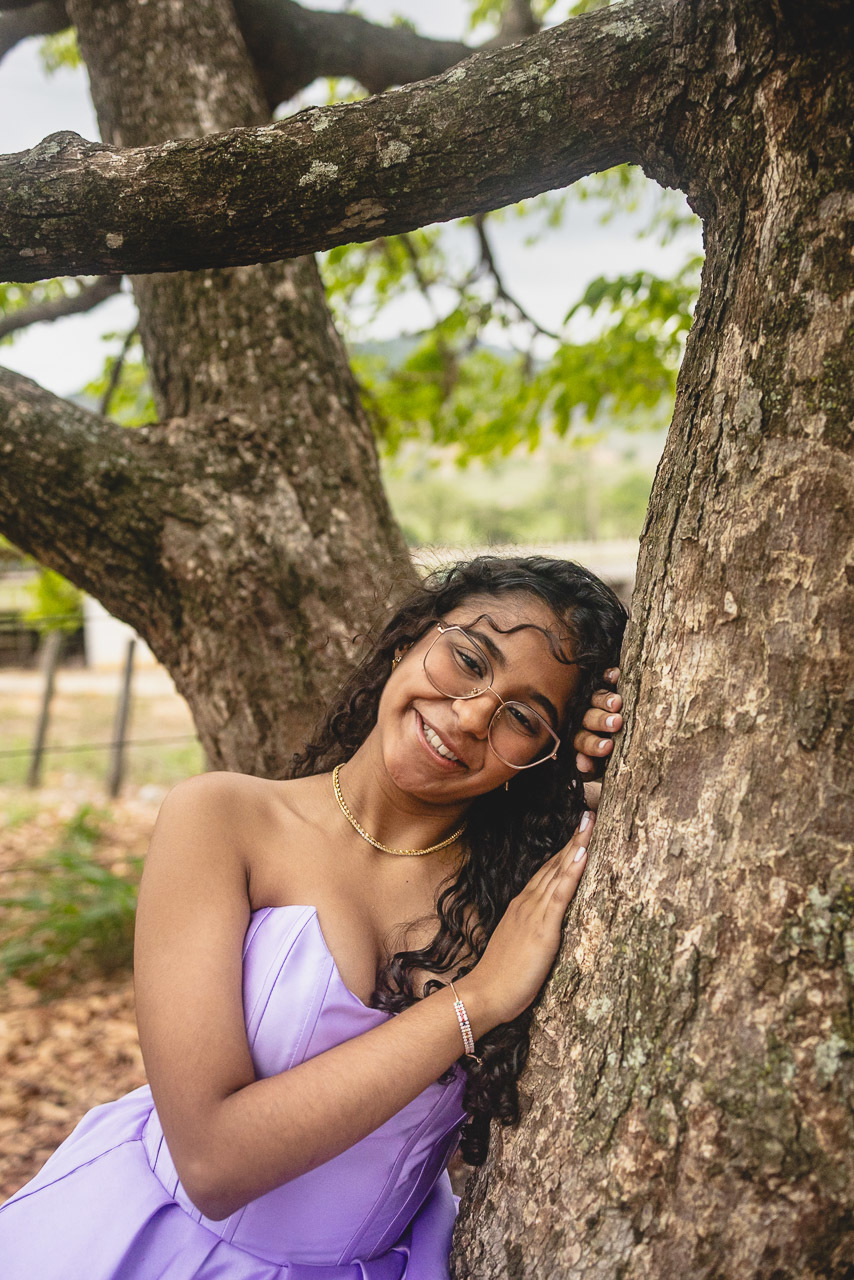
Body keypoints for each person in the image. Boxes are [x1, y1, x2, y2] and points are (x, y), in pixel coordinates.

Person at [0, 554, 626, 1279]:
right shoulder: (223, 820)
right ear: (410, 639)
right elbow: (213, 1163)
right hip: (150, 1248)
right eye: (468, 660)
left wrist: (605, 778)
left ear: (542, 755)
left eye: (523, 717)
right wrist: (475, 1000)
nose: (471, 716)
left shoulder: (525, 899)